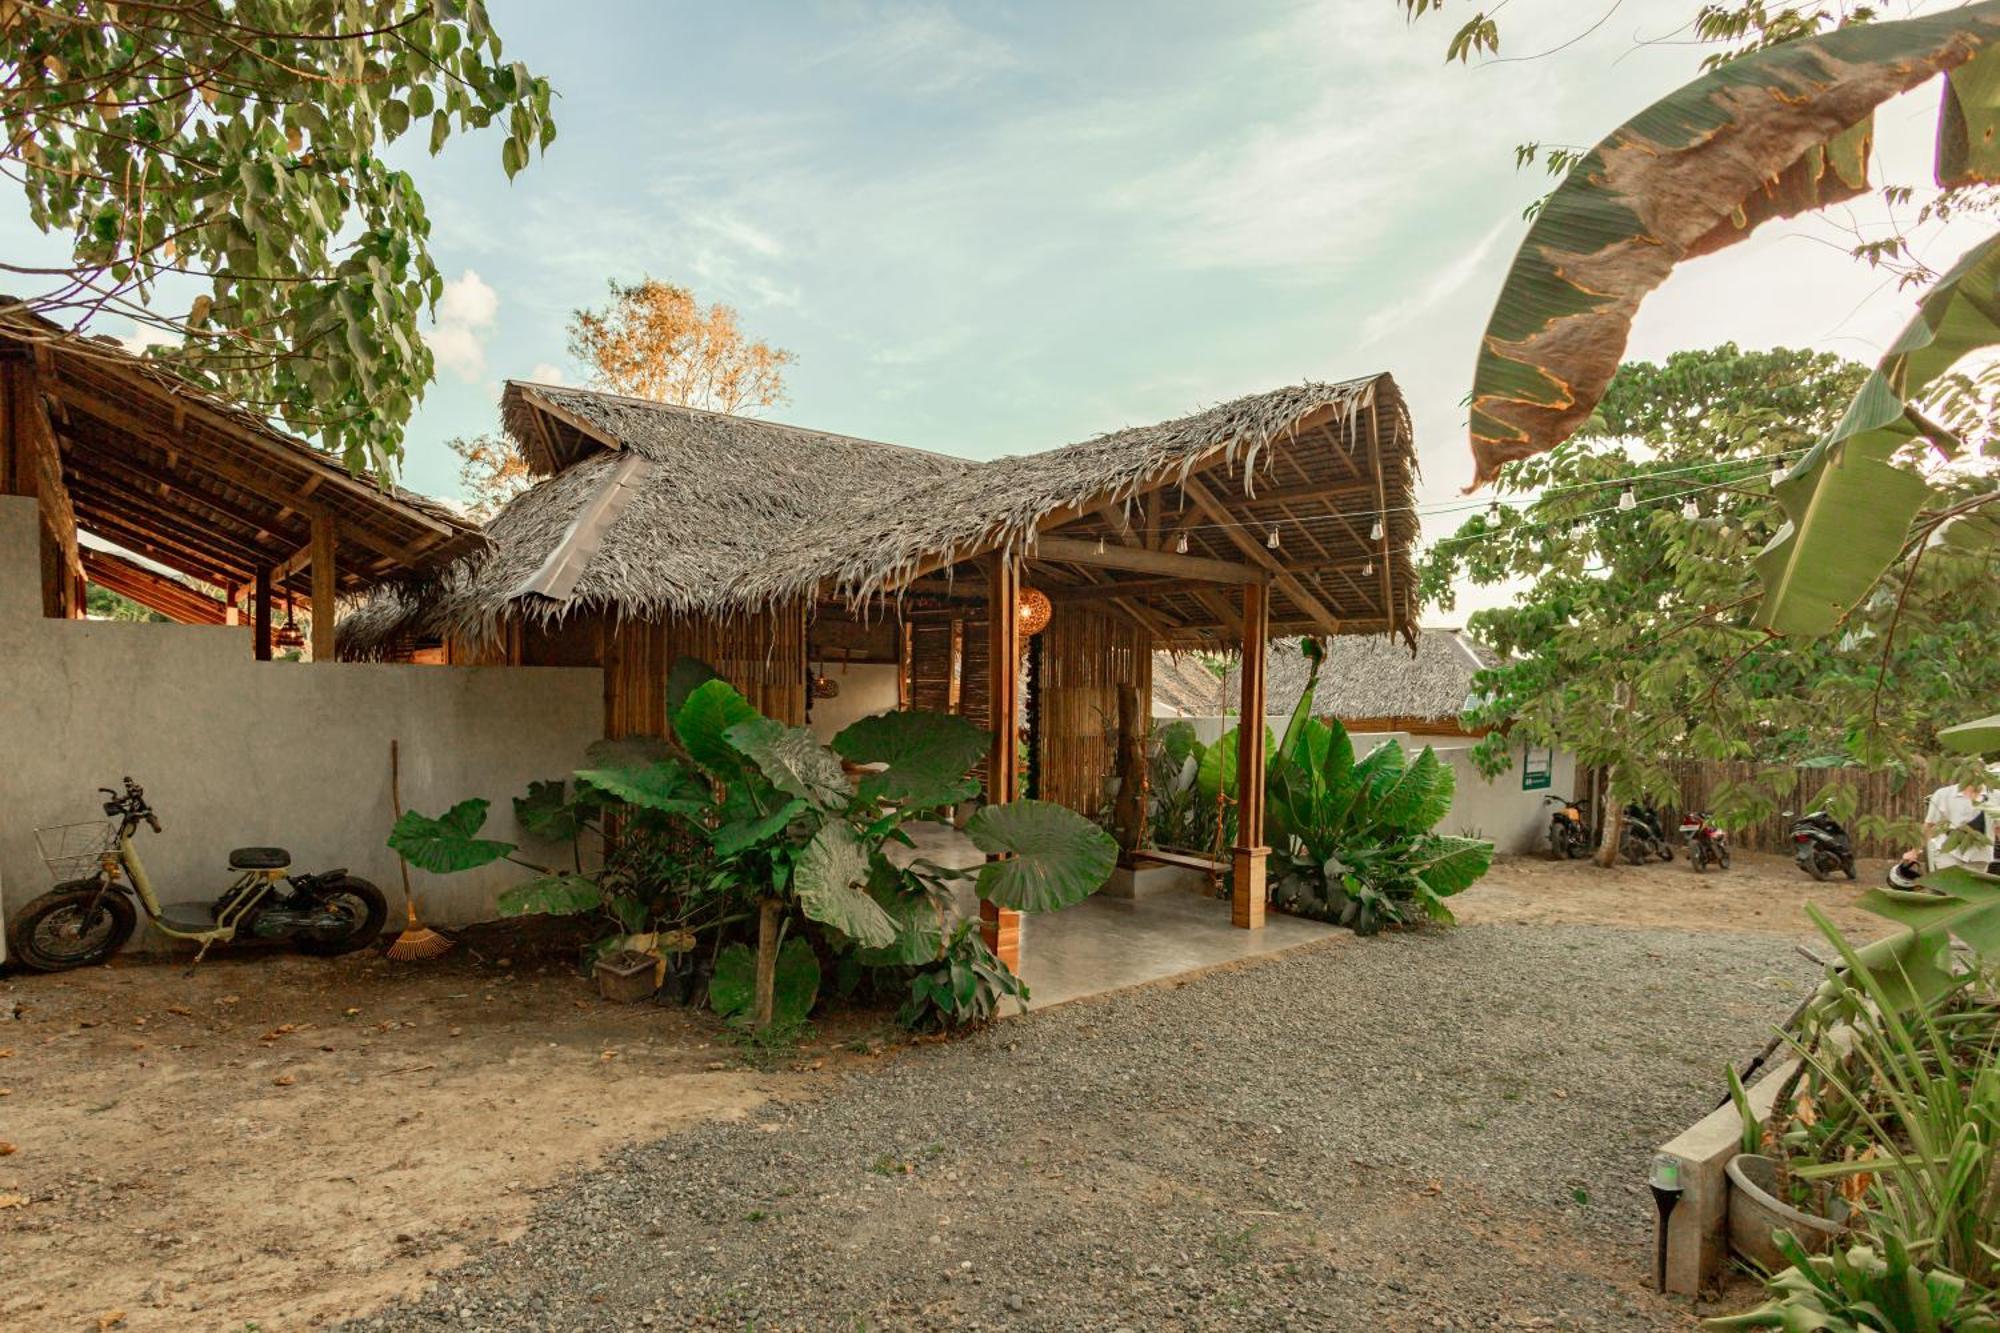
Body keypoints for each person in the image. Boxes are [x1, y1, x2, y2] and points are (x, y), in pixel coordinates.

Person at [1902, 774, 2000, 875]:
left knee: (1970, 889)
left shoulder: (1996, 796)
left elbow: (1998, 828)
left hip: (1980, 854)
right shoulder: (1944, 794)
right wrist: (1915, 851)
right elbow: (1930, 825)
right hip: (1948, 851)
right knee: (1953, 885)